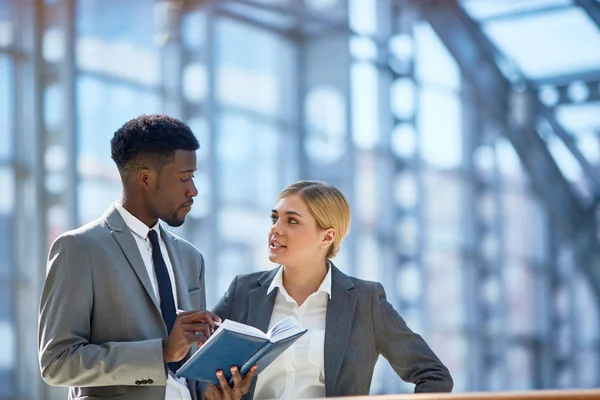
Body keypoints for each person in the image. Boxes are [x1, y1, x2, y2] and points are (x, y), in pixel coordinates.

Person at [38, 114, 254, 400]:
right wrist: (161, 352)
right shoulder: (79, 249)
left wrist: (213, 391)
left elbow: (187, 368)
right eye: (184, 178)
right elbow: (57, 363)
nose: (194, 190)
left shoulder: (191, 258)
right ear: (145, 178)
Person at [211, 180, 453, 399]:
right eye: (274, 218)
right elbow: (196, 369)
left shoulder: (365, 301)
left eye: (292, 220)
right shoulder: (242, 291)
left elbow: (434, 375)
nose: (276, 228)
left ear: (327, 237)